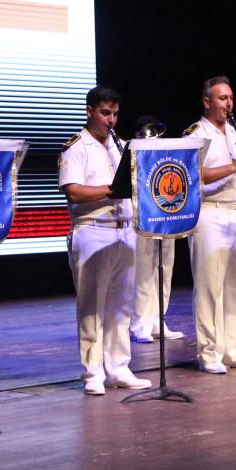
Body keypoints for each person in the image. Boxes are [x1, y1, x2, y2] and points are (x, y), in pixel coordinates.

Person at [59, 86, 152, 395]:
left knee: (121, 305)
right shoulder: (76, 147)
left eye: (115, 114)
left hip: (123, 230)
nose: (111, 120)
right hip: (93, 231)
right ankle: (92, 372)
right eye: (105, 113)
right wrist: (112, 190)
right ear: (90, 111)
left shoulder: (120, 146)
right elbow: (73, 191)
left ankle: (119, 367)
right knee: (92, 306)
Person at [185, 76, 236, 373]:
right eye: (222, 98)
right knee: (209, 286)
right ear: (207, 102)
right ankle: (209, 353)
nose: (229, 104)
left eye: (230, 98)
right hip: (211, 213)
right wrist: (235, 164)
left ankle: (233, 348)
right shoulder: (196, 134)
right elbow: (193, 174)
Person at [128, 115, 184, 343]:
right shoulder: (133, 153)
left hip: (165, 216)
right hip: (143, 217)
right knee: (143, 272)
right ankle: (139, 323)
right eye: (149, 131)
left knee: (165, 269)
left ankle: (158, 320)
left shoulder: (165, 155)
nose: (154, 137)